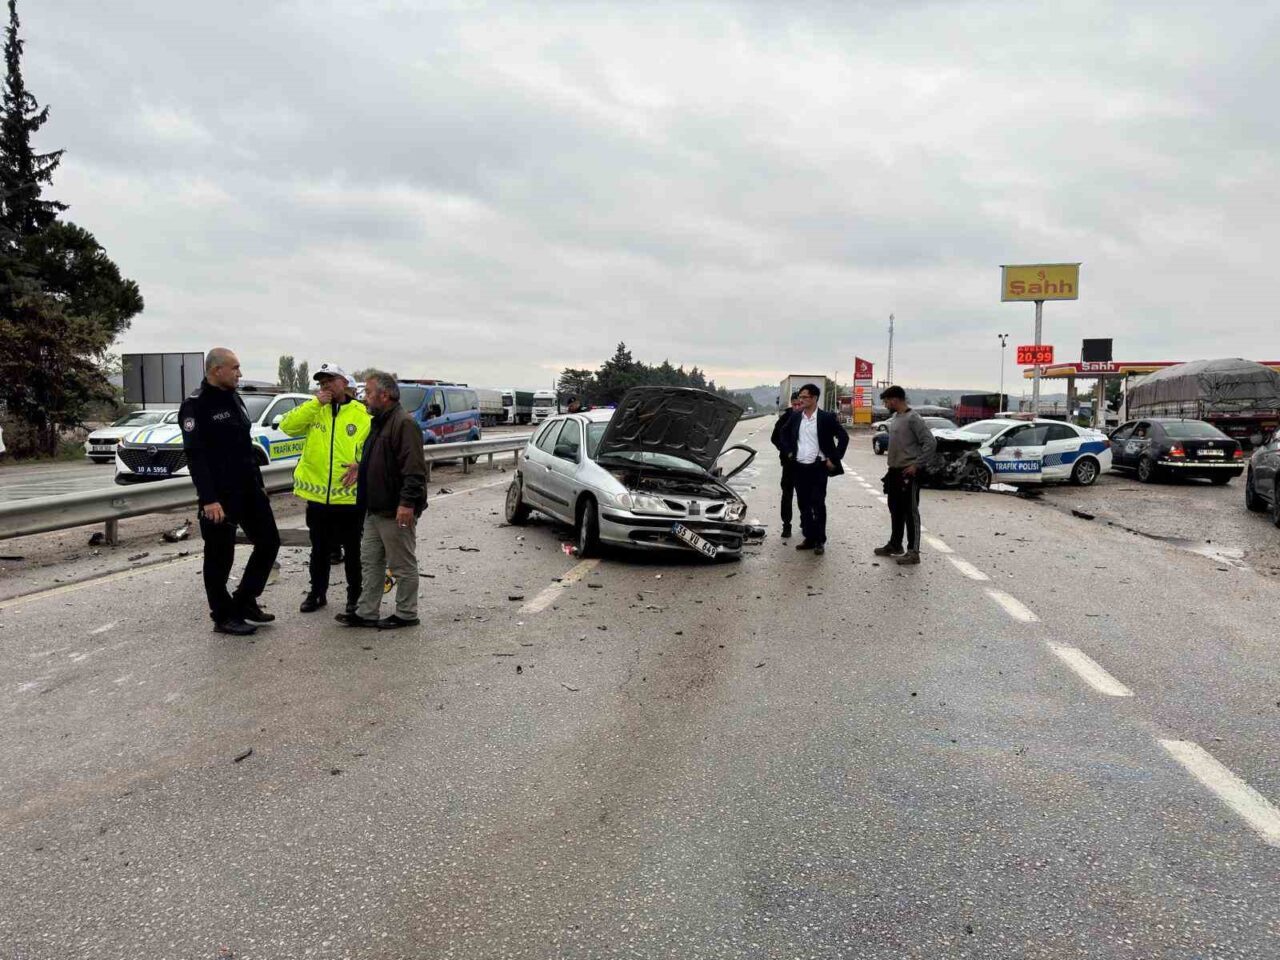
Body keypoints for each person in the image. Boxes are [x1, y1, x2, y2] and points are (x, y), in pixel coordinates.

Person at [180, 348, 281, 636]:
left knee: (269, 542)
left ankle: (245, 600)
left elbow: (245, 445)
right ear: (216, 371)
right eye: (235, 368)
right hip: (219, 497)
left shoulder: (235, 398)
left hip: (249, 489)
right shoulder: (195, 406)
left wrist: (259, 483)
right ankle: (223, 616)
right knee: (219, 557)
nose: (240, 373)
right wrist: (209, 499)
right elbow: (195, 456)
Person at [279, 362, 372, 615]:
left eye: (330, 380)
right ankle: (317, 593)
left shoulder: (362, 413)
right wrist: (314, 403)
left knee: (353, 551)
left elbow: (375, 448)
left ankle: (355, 597)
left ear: (344, 382)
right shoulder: (313, 409)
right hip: (318, 497)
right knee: (319, 550)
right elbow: (287, 427)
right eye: (321, 382)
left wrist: (360, 465)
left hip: (349, 497)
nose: (326, 386)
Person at [337, 371, 427, 630]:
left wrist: (407, 504)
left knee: (401, 564)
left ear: (384, 395)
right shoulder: (379, 421)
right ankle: (366, 612)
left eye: (368, 392)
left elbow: (414, 470)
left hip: (394, 509)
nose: (364, 398)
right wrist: (360, 467)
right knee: (371, 562)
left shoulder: (403, 423)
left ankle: (407, 614)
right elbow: (383, 459)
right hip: (375, 508)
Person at [777, 383, 848, 555]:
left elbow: (843, 437)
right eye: (800, 397)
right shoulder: (796, 417)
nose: (801, 400)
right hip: (799, 467)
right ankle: (809, 537)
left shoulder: (826, 418)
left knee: (818, 503)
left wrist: (834, 459)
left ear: (815, 398)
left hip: (819, 467)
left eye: (805, 397)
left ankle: (820, 540)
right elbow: (783, 434)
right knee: (803, 504)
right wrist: (788, 453)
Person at [876, 385, 937, 566]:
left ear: (895, 399)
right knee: (895, 509)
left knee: (910, 512)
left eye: (887, 401)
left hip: (908, 473)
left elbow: (930, 442)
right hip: (894, 472)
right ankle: (895, 544)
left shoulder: (913, 418)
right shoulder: (896, 417)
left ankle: (914, 551)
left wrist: (916, 465)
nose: (886, 404)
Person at [769, 392, 804, 538]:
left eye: (799, 404)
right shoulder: (785, 418)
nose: (796, 407)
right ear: (791, 404)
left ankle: (805, 522)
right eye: (794, 404)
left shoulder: (808, 417)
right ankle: (786, 525)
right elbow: (774, 438)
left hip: (804, 464)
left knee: (804, 496)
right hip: (788, 464)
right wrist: (786, 451)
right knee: (787, 495)